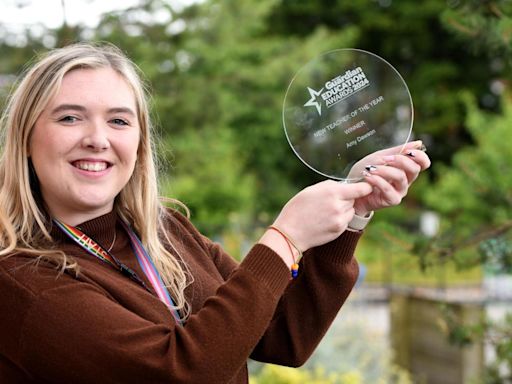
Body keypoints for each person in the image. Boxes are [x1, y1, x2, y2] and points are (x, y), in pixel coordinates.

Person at [0, 42, 430, 384]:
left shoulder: (165, 231)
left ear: (139, 143)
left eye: (118, 121)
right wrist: (284, 238)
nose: (97, 139)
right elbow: (183, 373)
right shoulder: (21, 281)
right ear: (25, 139)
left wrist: (352, 213)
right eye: (70, 118)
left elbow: (283, 335)